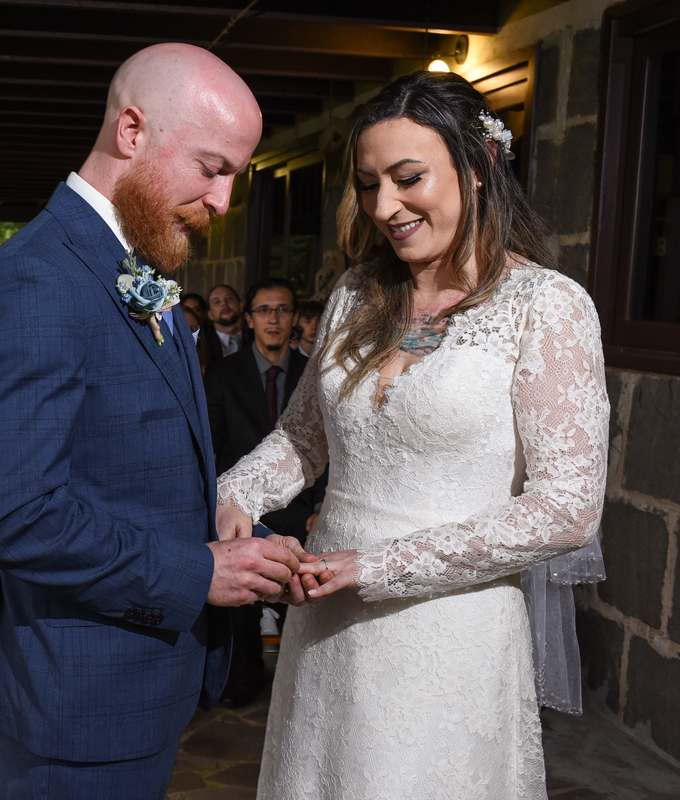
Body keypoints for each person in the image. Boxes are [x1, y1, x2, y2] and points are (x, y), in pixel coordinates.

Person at [215, 71, 609, 799]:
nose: (384, 207)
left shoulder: (547, 307)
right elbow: (303, 436)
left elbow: (567, 509)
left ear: (479, 164)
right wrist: (237, 493)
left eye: (407, 178)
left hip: (447, 631)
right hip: (327, 617)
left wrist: (377, 566)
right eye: (369, 185)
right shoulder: (355, 294)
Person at [0, 43, 314, 799]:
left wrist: (222, 519)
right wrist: (200, 572)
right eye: (212, 168)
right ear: (131, 131)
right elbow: (15, 515)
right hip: (79, 698)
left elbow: (126, 458)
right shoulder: (36, 280)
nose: (222, 201)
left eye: (234, 177)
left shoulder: (131, 262)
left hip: (137, 681)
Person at [203, 276, 328, 708]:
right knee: (241, 603)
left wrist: (319, 505)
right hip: (239, 507)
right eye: (264, 310)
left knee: (305, 599)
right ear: (249, 318)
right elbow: (212, 446)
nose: (273, 318)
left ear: (294, 319)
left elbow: (331, 445)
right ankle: (243, 675)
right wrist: (225, 502)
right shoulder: (224, 374)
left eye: (282, 309)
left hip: (302, 509)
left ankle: (298, 685)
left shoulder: (315, 374)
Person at [208, 284, 244, 356]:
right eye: (217, 302)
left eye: (229, 298)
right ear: (210, 314)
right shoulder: (203, 346)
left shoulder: (256, 338)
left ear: (241, 306)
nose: (224, 303)